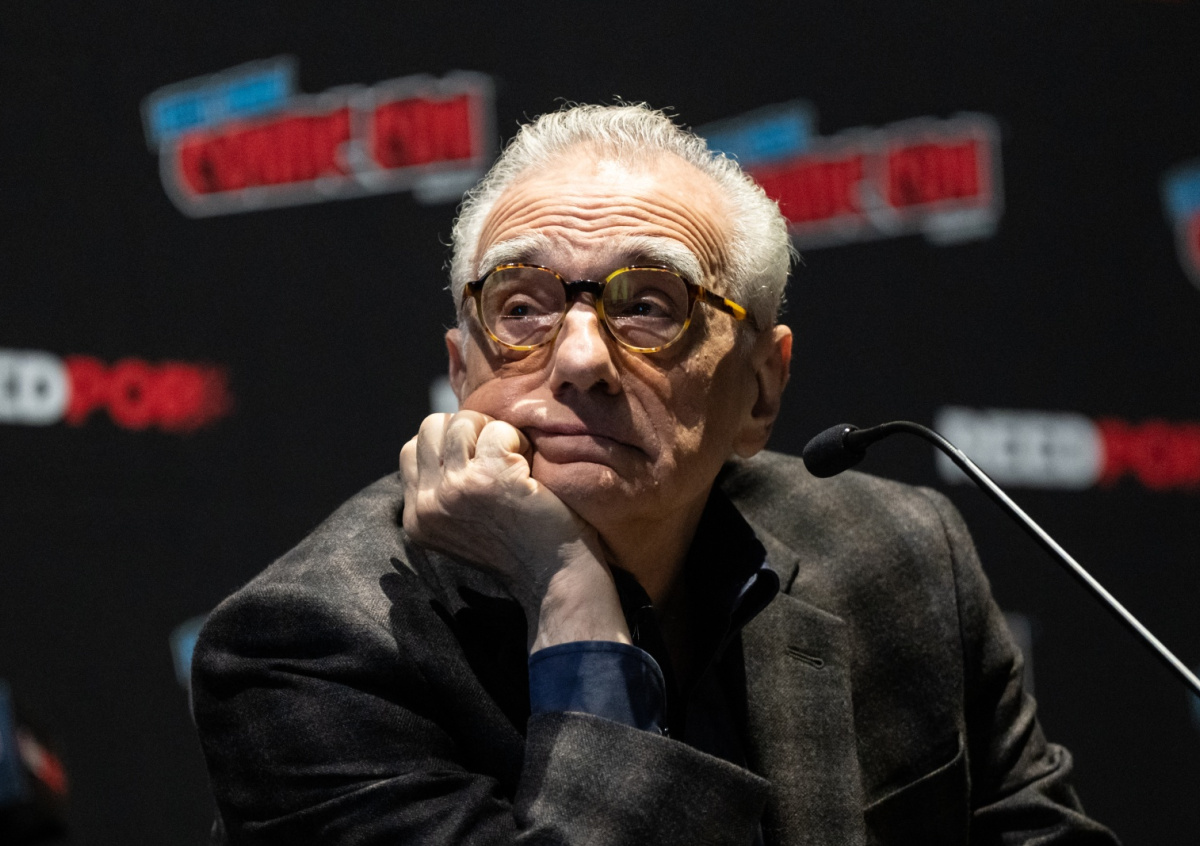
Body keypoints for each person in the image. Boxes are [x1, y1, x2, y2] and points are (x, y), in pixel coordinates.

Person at [192, 103, 1118, 845]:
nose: (579, 359)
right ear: (463, 367)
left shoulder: (898, 553)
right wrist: (571, 599)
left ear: (760, 390)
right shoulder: (315, 649)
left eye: (649, 307)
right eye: (522, 307)